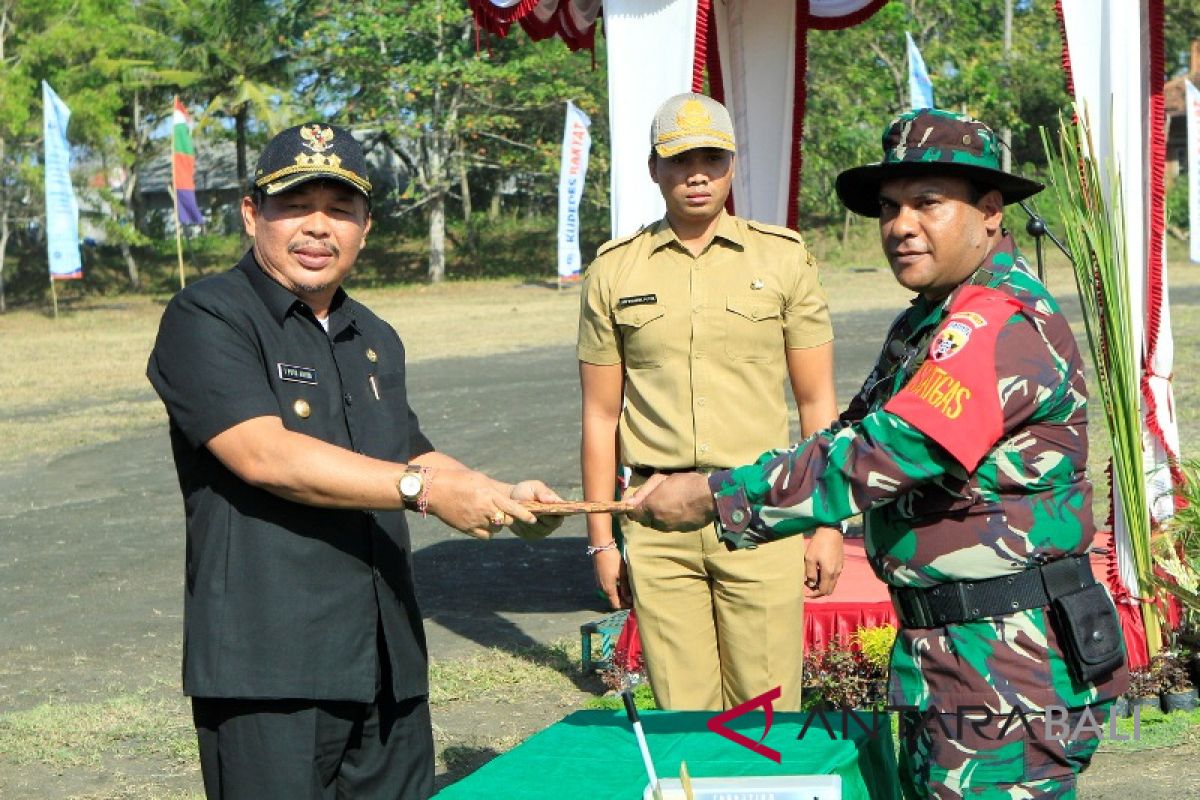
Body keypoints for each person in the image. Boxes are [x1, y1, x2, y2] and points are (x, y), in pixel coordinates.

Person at [630, 108, 1129, 798]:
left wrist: (717, 498)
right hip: (953, 653)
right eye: (890, 208)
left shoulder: (995, 321)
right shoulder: (932, 317)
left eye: (928, 203)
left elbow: (882, 453)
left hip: (1006, 662)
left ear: (991, 212)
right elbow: (846, 432)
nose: (900, 226)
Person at [147, 122, 561, 800]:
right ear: (253, 213)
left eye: (340, 210)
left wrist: (500, 493)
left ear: (365, 226)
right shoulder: (209, 315)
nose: (318, 227)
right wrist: (423, 491)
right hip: (271, 664)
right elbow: (264, 454)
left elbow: (408, 450)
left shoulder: (373, 335)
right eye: (295, 206)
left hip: (384, 659)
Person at [577, 92, 844, 712]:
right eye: (679, 159)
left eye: (711, 158)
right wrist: (601, 537)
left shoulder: (781, 259)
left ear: (732, 165)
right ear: (653, 168)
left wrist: (828, 522)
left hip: (761, 511)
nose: (696, 174)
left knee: (766, 717)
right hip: (656, 520)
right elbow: (598, 415)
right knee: (684, 720)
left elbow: (817, 401)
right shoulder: (614, 272)